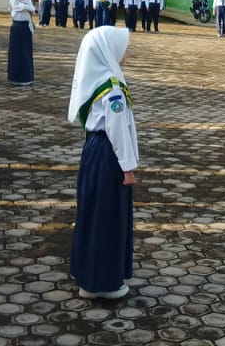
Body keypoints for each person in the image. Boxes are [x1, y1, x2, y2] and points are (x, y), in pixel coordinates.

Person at [67, 27, 137, 300]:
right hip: (110, 155)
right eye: (123, 47)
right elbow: (118, 131)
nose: (126, 52)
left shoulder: (96, 81)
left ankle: (86, 270)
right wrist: (128, 168)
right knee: (107, 216)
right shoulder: (113, 88)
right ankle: (102, 283)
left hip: (94, 151)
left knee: (93, 211)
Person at [8, 0, 36, 87]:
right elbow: (17, 6)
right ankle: (14, 78)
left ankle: (26, 78)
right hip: (16, 28)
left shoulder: (28, 1)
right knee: (15, 53)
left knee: (25, 53)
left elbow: (32, 9)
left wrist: (29, 7)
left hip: (26, 29)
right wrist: (27, 7)